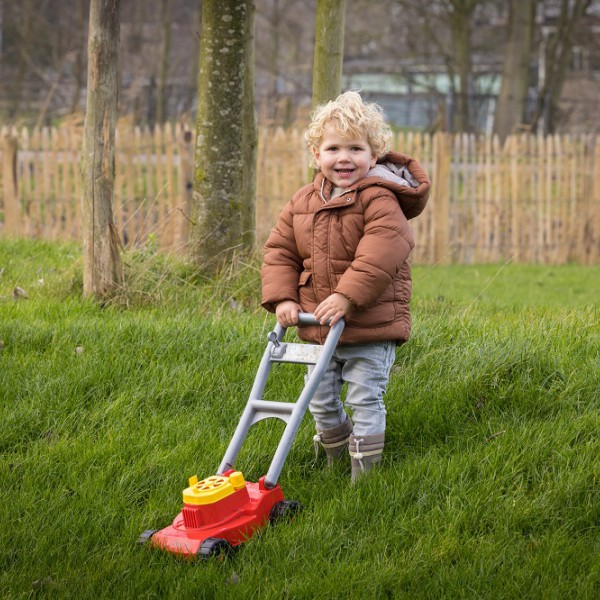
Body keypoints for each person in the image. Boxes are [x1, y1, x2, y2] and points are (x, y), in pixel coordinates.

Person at [261, 91, 430, 481]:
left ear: (374, 156)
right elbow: (280, 251)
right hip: (320, 328)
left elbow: (383, 250)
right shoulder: (303, 201)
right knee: (318, 399)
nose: (344, 158)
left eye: (356, 148)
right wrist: (284, 297)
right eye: (333, 148)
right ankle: (335, 459)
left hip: (369, 325)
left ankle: (365, 476)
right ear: (316, 155)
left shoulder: (379, 199)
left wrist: (346, 295)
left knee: (363, 397)